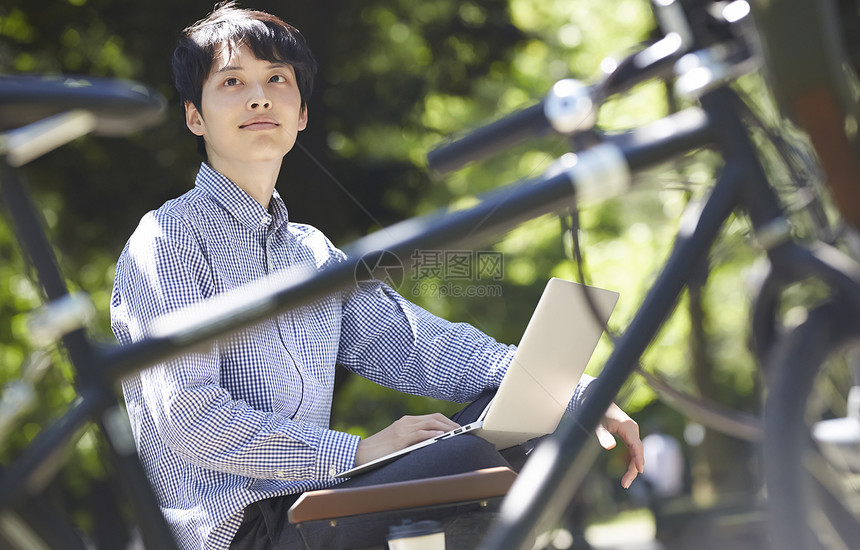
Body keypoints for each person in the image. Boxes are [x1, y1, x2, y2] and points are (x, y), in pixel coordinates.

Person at [109, 3, 644, 549]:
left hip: (319, 505)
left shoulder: (313, 253)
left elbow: (422, 348)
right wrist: (357, 453)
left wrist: (578, 390)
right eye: (231, 81)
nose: (258, 96)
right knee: (463, 459)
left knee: (530, 426)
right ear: (195, 116)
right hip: (240, 531)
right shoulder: (167, 241)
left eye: (276, 78)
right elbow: (189, 416)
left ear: (301, 114)